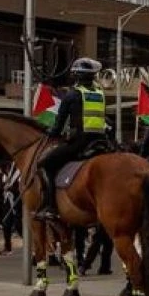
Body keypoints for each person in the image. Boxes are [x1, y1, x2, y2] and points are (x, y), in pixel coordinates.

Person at [37, 58, 110, 220]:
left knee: (46, 165)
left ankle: (50, 207)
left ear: (76, 76)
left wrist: (51, 132)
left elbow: (59, 124)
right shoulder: (100, 94)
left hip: (80, 142)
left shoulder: (72, 95)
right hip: (101, 141)